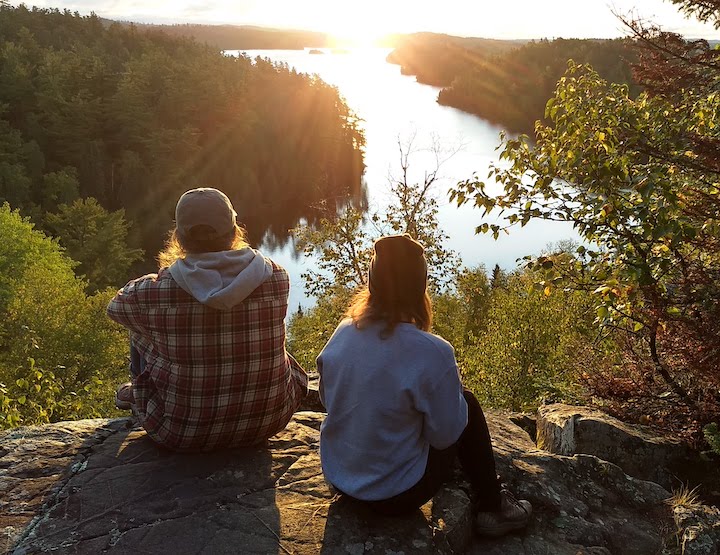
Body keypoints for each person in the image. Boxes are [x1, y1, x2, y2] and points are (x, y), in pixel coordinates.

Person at [317, 234, 531, 537]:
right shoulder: (433, 352)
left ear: (372, 283)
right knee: (466, 402)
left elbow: (329, 401)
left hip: (339, 478)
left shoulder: (343, 333)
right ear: (420, 287)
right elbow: (444, 437)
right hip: (395, 496)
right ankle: (494, 507)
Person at [107, 187, 307, 452]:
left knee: (139, 325)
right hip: (268, 421)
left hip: (179, 431)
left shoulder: (151, 291)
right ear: (235, 231)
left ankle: (137, 390)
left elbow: (114, 309)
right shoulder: (276, 276)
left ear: (178, 237)